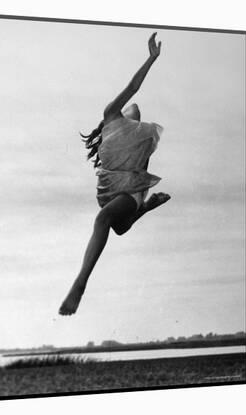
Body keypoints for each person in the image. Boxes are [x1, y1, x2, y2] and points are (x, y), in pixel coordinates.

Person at [59, 32, 171, 316]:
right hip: (110, 187)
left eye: (138, 112)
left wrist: (139, 197)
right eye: (132, 108)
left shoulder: (141, 143)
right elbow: (133, 87)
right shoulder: (111, 115)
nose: (137, 110)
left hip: (130, 187)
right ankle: (146, 209)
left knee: (104, 219)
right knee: (119, 228)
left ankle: (80, 284)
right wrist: (150, 59)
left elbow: (141, 175)